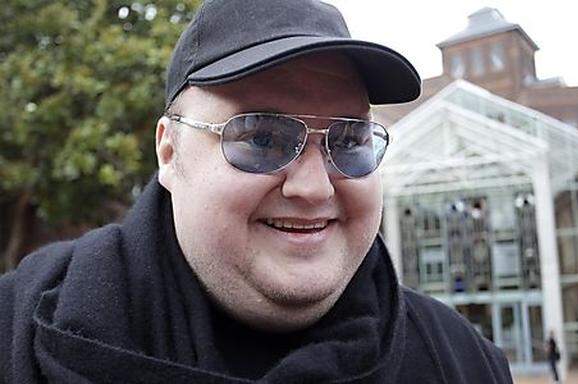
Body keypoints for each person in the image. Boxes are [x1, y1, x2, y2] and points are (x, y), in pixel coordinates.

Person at [0, 1, 513, 382]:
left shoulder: (464, 363)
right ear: (169, 154)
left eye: (350, 141)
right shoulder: (15, 330)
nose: (314, 187)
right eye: (261, 138)